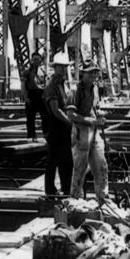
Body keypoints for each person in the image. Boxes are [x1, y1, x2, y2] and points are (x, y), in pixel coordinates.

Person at [67, 59, 109, 204]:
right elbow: (71, 115)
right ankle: (75, 200)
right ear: (83, 74)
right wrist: (92, 121)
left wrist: (99, 115)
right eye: (89, 73)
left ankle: (103, 198)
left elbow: (94, 107)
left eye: (94, 73)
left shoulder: (95, 89)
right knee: (80, 168)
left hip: (94, 131)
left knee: (101, 166)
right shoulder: (74, 91)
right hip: (81, 132)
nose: (92, 76)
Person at [43, 53, 74, 197]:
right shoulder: (52, 86)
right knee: (53, 159)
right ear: (55, 68)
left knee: (66, 158)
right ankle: (50, 190)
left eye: (64, 67)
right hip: (55, 127)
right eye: (60, 67)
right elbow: (56, 110)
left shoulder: (63, 85)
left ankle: (66, 187)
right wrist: (69, 122)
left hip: (63, 127)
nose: (63, 69)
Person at [23, 53, 46, 141]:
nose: (36, 61)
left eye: (38, 59)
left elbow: (46, 83)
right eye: (34, 59)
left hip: (41, 94)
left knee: (44, 116)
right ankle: (31, 136)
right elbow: (23, 85)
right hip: (31, 94)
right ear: (31, 60)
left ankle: (45, 135)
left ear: (40, 60)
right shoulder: (27, 71)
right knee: (30, 117)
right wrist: (26, 97)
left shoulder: (43, 71)